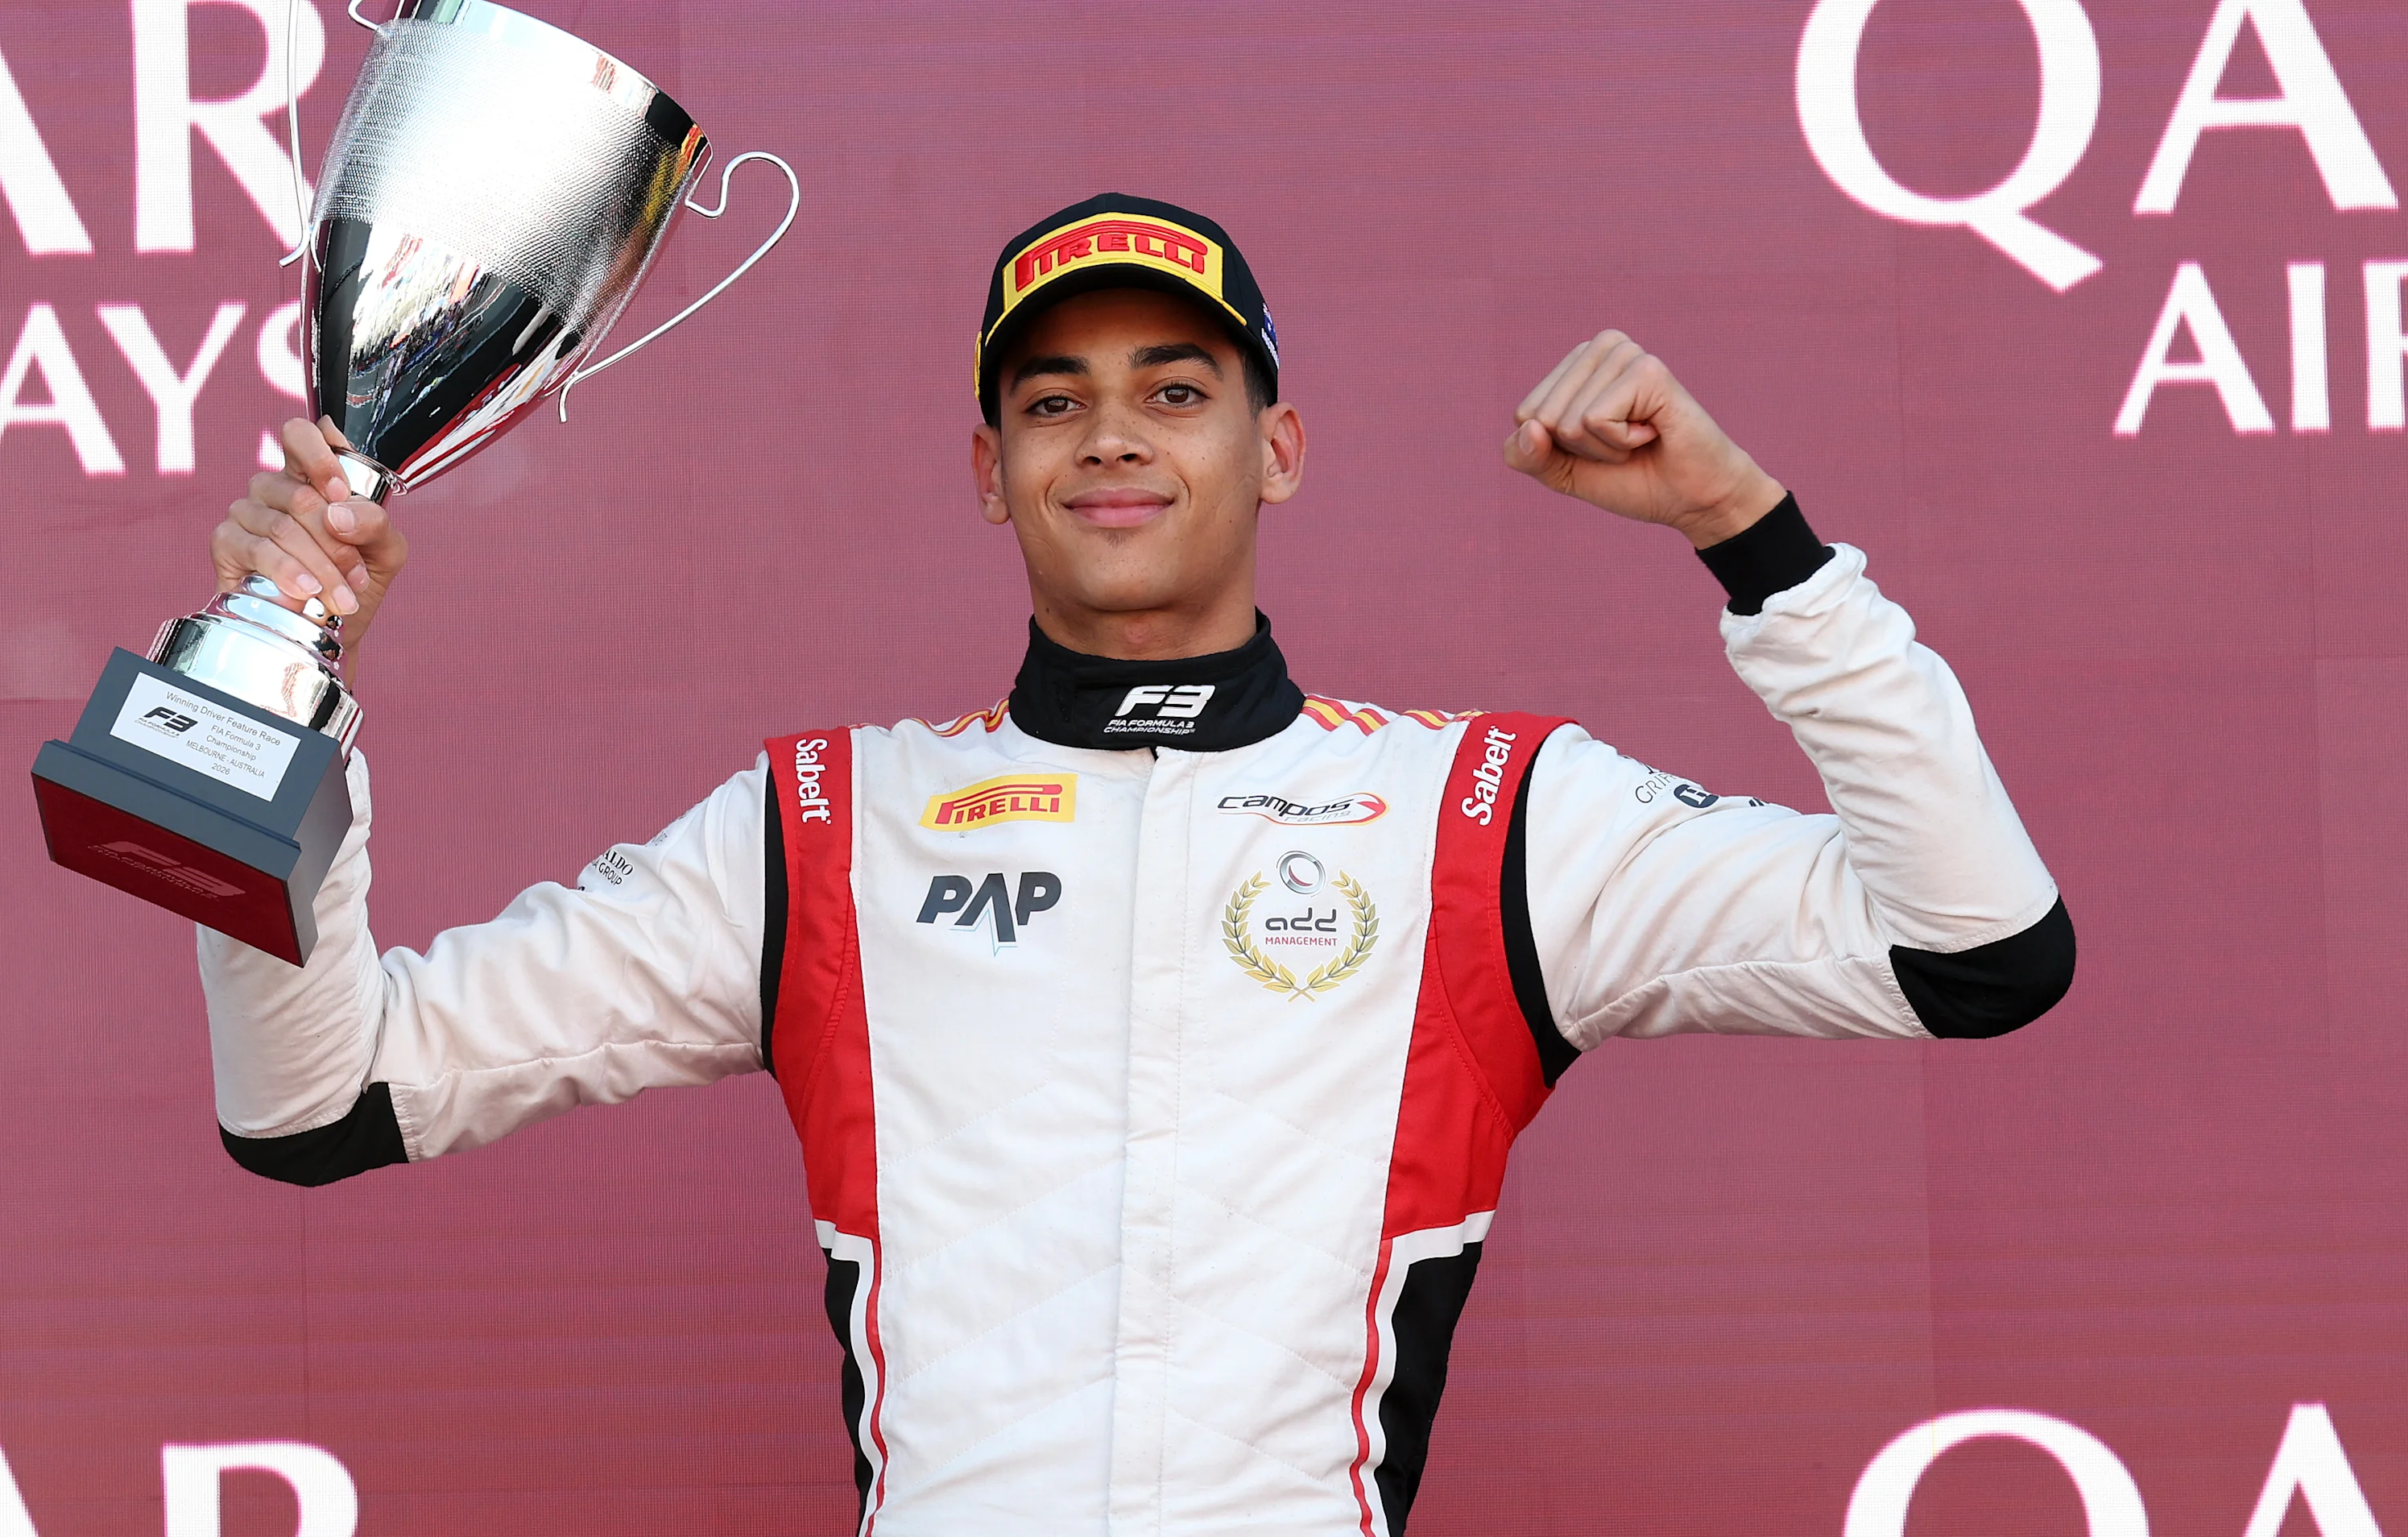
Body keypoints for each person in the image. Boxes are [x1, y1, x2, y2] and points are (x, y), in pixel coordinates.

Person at [196, 193, 2073, 1535]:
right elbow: (320, 1099)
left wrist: (1751, 538)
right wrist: (274, 697)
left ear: (1279, 450)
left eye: (1175, 389)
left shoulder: (1487, 815)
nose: (1110, 433)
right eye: (1051, 397)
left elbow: (1976, 945)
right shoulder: (822, 826)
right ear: (989, 468)